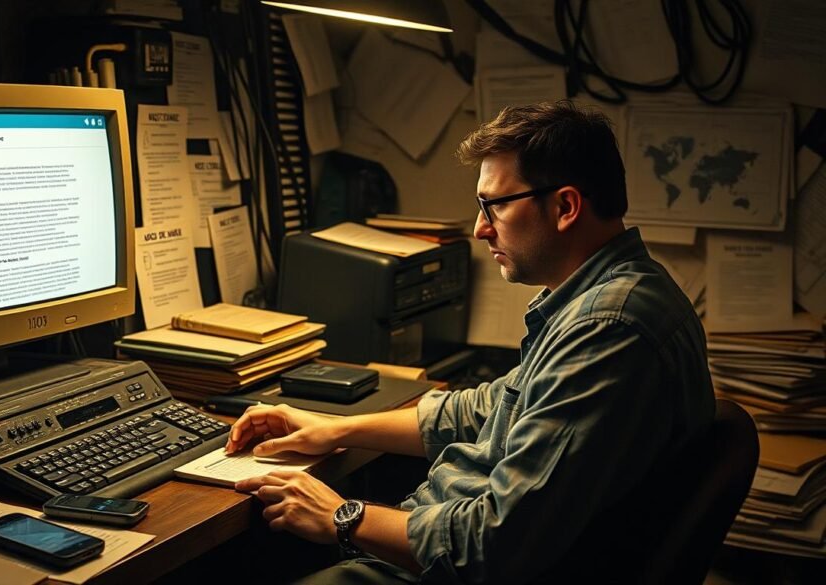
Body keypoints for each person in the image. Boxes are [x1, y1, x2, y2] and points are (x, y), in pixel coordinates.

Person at [225, 101, 715, 584]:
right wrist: (338, 428)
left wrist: (343, 516)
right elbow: (488, 408)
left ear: (565, 206)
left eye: (495, 205)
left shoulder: (607, 327)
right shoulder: (610, 293)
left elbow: (494, 545)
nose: (481, 228)